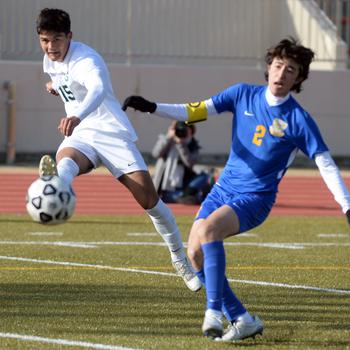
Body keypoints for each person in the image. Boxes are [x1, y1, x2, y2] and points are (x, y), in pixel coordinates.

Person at [122, 37, 350, 342]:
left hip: (255, 198)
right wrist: (152, 108)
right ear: (269, 67)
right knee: (194, 254)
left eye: (291, 70)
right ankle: (242, 319)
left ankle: (213, 311)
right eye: (279, 66)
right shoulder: (242, 94)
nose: (282, 74)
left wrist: (346, 204)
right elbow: (195, 111)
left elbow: (326, 164)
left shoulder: (299, 120)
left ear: (299, 79)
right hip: (222, 190)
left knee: (208, 232)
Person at [35, 8, 202, 293]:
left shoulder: (87, 60)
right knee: (67, 158)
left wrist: (77, 115)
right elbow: (65, 83)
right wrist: (55, 86)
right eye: (45, 40)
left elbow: (98, 89)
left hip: (110, 132)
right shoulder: (49, 61)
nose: (51, 47)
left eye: (57, 40)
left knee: (150, 200)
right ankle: (57, 184)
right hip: (82, 134)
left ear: (70, 37)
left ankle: (178, 257)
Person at [152, 121, 211, 205]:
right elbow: (156, 153)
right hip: (165, 188)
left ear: (191, 132)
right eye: (179, 130)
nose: (182, 132)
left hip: (183, 185)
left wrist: (181, 145)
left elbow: (190, 163)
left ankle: (186, 196)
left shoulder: (193, 146)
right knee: (181, 197)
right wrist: (168, 137)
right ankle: (186, 197)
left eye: (186, 130)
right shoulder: (167, 141)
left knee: (204, 175)